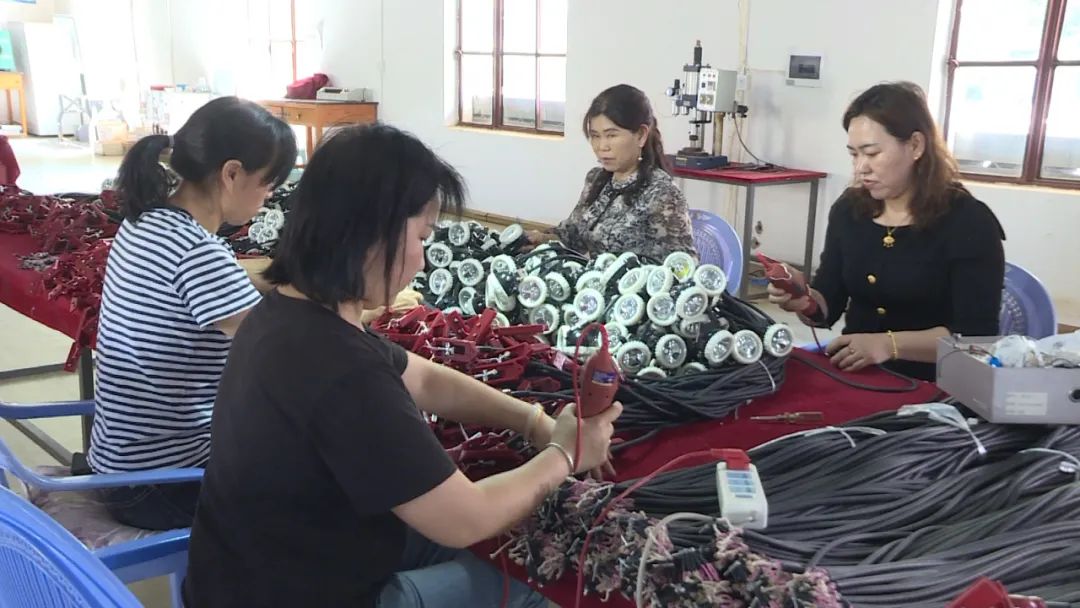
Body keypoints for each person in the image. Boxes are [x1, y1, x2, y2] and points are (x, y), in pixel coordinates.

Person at [183, 123, 620, 608]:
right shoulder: (341, 371)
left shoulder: (285, 314)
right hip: (295, 592)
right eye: (421, 237)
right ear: (373, 233)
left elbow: (425, 378)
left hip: (241, 572)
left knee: (494, 544)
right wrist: (565, 455)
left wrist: (533, 422)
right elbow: (466, 518)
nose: (423, 261)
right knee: (536, 587)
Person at [87, 96, 298, 530]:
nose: (269, 197)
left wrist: (283, 281)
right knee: (323, 489)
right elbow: (280, 346)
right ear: (232, 173)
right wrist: (356, 313)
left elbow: (222, 285)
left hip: (119, 465)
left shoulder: (146, 222)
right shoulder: (198, 253)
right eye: (268, 183)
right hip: (164, 484)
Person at [769, 81, 1005, 381]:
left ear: (916, 146)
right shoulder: (850, 211)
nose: (861, 168)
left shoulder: (968, 222)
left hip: (934, 383)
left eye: (872, 153)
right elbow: (828, 306)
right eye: (854, 155)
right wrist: (804, 299)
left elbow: (975, 338)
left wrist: (888, 345)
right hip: (856, 373)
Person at [526, 84, 697, 261]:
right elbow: (573, 237)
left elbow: (684, 265)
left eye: (611, 135)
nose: (602, 146)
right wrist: (540, 239)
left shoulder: (662, 194)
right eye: (595, 136)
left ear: (641, 135)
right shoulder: (596, 180)